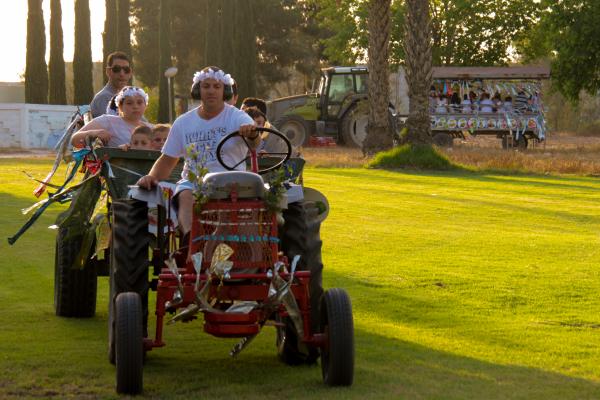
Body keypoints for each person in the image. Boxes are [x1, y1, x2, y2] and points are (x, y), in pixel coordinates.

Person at [136, 66, 260, 237]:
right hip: (194, 182)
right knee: (186, 193)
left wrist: (251, 133)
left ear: (225, 91)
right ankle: (190, 238)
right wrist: (151, 176)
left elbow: (255, 142)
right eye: (206, 86)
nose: (211, 91)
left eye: (217, 87)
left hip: (231, 183)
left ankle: (250, 244)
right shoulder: (183, 122)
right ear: (197, 90)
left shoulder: (237, 117)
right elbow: (167, 160)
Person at [71, 86, 152, 147]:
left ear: (145, 106)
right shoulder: (108, 121)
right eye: (129, 103)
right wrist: (95, 133)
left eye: (139, 102)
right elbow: (75, 139)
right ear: (120, 107)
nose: (135, 106)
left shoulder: (151, 128)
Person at [90, 51, 132, 118]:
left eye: (126, 70)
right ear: (108, 71)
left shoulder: (131, 97)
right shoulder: (103, 98)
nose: (122, 74)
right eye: (116, 69)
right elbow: (112, 123)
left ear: (130, 73)